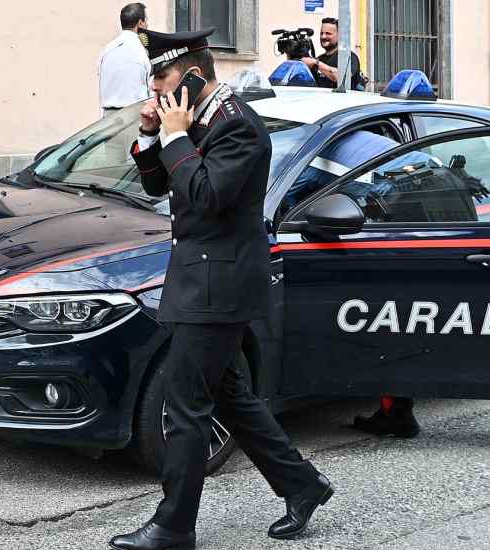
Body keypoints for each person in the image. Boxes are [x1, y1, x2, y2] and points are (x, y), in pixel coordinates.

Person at [109, 27, 333, 550]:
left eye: (160, 78)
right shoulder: (198, 120)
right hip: (202, 274)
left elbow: (206, 197)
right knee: (229, 396)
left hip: (219, 281)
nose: (154, 89)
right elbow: (159, 185)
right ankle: (302, 484)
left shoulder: (238, 127)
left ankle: (173, 527)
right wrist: (151, 137)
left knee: (185, 404)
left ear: (190, 75)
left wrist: (176, 137)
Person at [97, 3, 152, 117]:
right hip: (134, 118)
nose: (147, 24)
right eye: (146, 20)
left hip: (107, 119)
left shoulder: (107, 49)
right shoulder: (143, 50)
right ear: (140, 23)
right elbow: (150, 85)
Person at [301, 17, 366, 90]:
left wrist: (316, 63)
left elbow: (340, 77)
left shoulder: (349, 57)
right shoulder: (320, 59)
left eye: (328, 33)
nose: (323, 36)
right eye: (321, 33)